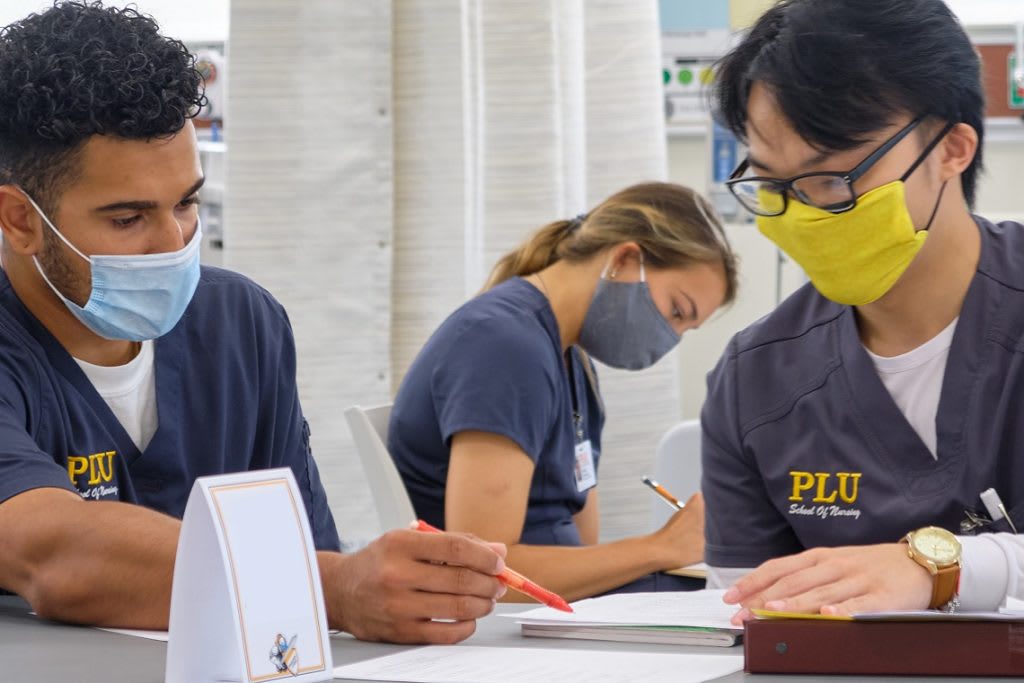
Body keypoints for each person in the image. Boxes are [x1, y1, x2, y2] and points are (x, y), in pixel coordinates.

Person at [0, 1, 505, 644]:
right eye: (127, 219)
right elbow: (50, 550)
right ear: (19, 219)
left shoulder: (239, 325)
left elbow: (301, 542)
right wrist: (333, 588)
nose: (173, 243)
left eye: (186, 203)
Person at [702, 0, 1024, 622]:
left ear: (951, 149)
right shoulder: (755, 381)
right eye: (774, 187)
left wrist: (937, 568)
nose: (806, 214)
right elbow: (754, 615)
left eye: (834, 180)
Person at [389, 182, 738, 601]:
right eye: (676, 311)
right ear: (626, 258)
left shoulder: (571, 360)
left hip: (554, 609)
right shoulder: (503, 346)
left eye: (686, 328)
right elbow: (485, 569)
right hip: (508, 621)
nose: (670, 337)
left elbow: (579, 540)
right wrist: (660, 548)